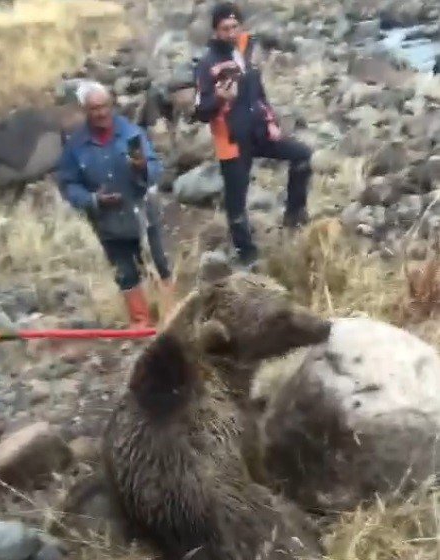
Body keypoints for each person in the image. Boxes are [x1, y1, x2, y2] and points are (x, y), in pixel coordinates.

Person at [194, 2, 313, 268]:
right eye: (225, 29)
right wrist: (219, 99)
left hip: (260, 131)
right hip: (232, 141)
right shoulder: (207, 63)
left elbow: (258, 93)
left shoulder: (247, 48)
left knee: (302, 156)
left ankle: (294, 216)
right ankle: (247, 257)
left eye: (235, 27)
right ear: (215, 31)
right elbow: (200, 110)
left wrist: (271, 122)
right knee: (236, 206)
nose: (232, 33)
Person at [57, 81, 174, 328]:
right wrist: (92, 200)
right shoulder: (75, 147)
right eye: (94, 108)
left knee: (158, 266)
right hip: (107, 222)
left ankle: (170, 318)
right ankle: (140, 324)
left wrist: (142, 168)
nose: (100, 113)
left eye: (104, 106)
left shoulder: (132, 134)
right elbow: (68, 185)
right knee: (126, 274)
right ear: (85, 111)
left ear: (111, 105)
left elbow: (155, 169)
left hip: (141, 214)